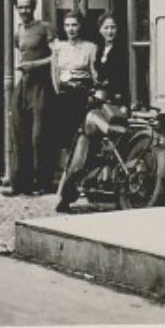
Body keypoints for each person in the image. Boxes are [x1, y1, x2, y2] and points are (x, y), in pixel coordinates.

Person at [56, 13, 129, 213]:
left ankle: (68, 193)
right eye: (106, 28)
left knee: (85, 141)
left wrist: (104, 92)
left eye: (113, 27)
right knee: (83, 143)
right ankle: (71, 192)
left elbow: (119, 79)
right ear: (100, 30)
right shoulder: (102, 50)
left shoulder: (121, 51)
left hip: (113, 104)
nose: (110, 32)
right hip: (99, 103)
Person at [5, 0, 56, 197]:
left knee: (39, 136)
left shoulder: (44, 27)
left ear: (33, 7)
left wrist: (34, 65)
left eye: (27, 7)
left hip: (41, 85)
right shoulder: (18, 32)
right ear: (16, 9)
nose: (24, 10)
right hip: (24, 85)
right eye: (20, 7)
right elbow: (20, 52)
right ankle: (20, 184)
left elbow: (56, 56)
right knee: (19, 134)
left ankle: (42, 182)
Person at [49, 12, 99, 187]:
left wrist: (94, 91)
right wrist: (57, 92)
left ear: (80, 26)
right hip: (63, 95)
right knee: (64, 137)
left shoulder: (90, 47)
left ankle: (77, 177)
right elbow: (54, 73)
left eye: (75, 25)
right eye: (68, 25)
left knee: (80, 137)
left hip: (81, 95)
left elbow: (94, 73)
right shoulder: (58, 47)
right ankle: (64, 177)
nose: (71, 29)